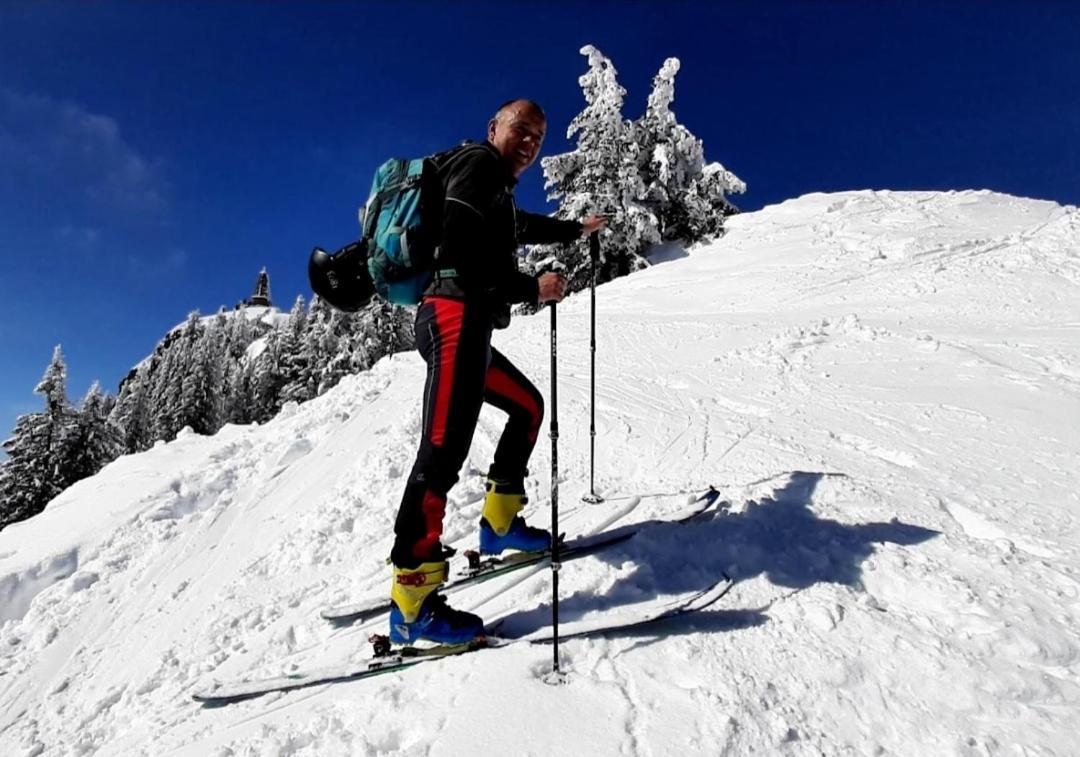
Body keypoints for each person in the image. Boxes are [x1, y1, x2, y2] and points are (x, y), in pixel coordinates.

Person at [388, 99, 606, 645]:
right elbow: (461, 247)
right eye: (521, 128)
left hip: (470, 322)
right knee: (441, 452)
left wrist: (575, 230)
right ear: (494, 128)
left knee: (527, 406)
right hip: (453, 316)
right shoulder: (478, 164)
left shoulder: (496, 189)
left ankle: (500, 525)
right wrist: (532, 289)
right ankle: (412, 602)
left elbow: (519, 225)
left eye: (539, 135)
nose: (531, 141)